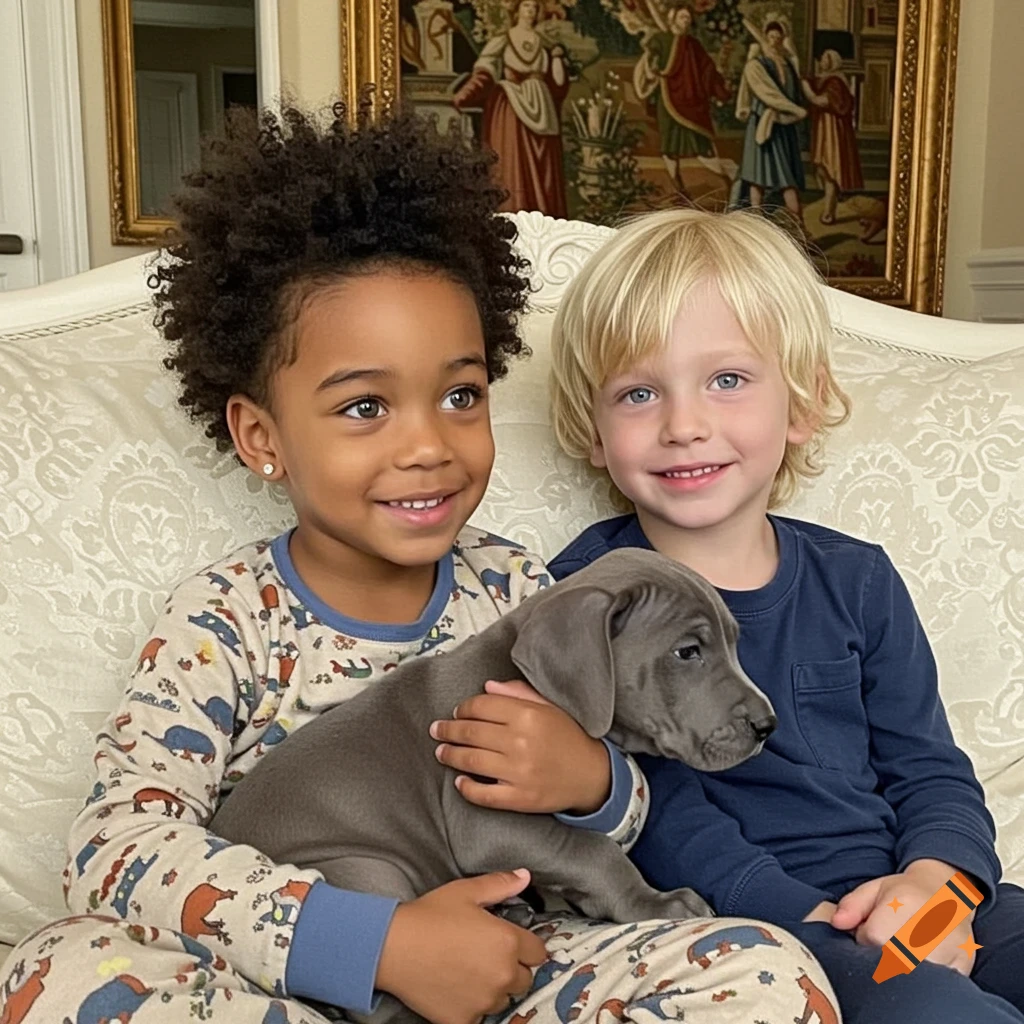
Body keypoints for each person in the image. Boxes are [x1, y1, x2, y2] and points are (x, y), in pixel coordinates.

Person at [0, 107, 835, 1024]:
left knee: (764, 970)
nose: (428, 444)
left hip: (516, 956)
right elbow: (115, 852)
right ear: (260, 434)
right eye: (364, 407)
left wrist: (596, 785)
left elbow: (634, 797)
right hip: (292, 980)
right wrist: (373, 944)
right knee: (55, 971)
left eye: (460, 394)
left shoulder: (519, 589)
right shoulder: (225, 621)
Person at [544, 205, 1024, 1023]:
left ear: (800, 405)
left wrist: (938, 880)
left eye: (727, 380)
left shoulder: (857, 579)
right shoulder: (588, 595)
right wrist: (807, 917)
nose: (685, 425)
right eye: (638, 392)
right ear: (593, 428)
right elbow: (645, 807)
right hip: (743, 927)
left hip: (902, 889)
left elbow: (930, 768)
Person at [453, 0, 569, 218]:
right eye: (526, 6)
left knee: (543, 164)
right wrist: (466, 94)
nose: (530, 11)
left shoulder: (545, 44)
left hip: (542, 107)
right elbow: (484, 72)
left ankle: (545, 216)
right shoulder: (503, 40)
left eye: (534, 7)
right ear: (516, 11)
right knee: (513, 162)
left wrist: (557, 58)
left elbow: (558, 85)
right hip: (511, 108)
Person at [632, 3, 731, 200]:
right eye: (682, 17)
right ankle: (679, 189)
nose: (685, 21)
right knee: (669, 148)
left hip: (692, 104)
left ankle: (728, 183)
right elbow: (651, 64)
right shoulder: (660, 39)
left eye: (688, 18)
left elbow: (707, 70)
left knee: (702, 147)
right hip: (667, 100)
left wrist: (720, 85)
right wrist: (652, 66)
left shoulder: (694, 45)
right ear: (672, 19)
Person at [734, 19, 807, 230]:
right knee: (757, 174)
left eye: (778, 37)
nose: (774, 41)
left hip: (783, 126)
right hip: (762, 124)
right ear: (766, 38)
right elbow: (766, 92)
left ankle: (799, 224)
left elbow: (794, 93)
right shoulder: (757, 64)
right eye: (771, 37)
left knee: (787, 177)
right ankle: (757, 222)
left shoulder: (788, 65)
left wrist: (793, 111)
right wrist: (794, 110)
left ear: (783, 39)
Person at [801, 50, 864, 225]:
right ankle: (830, 205)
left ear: (832, 62)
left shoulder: (836, 81)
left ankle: (829, 212)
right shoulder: (824, 79)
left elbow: (820, 100)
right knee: (822, 169)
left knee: (829, 170)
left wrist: (805, 86)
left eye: (825, 58)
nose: (821, 60)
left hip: (832, 129)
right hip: (823, 127)